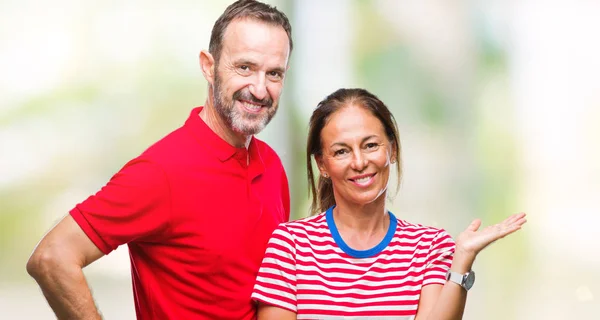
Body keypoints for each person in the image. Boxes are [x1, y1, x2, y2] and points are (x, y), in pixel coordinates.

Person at [26, 1, 292, 319]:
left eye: (274, 73)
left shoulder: (273, 167)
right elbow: (53, 257)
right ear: (209, 66)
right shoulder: (162, 172)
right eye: (245, 67)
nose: (259, 89)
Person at [251, 88, 527, 319]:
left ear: (392, 150)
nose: (359, 163)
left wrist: (462, 261)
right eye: (341, 151)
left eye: (370, 145)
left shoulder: (429, 247)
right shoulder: (291, 245)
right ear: (322, 164)